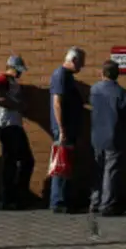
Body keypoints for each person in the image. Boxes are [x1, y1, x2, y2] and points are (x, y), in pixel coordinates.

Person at [90, 60, 126, 216]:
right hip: (114, 136)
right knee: (111, 172)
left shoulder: (94, 89)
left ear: (102, 73)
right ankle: (107, 205)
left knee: (98, 169)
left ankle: (95, 201)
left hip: (96, 136)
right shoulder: (121, 93)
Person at [0, 55, 35, 210]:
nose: (20, 74)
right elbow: (0, 99)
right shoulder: (1, 80)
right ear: (11, 67)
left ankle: (17, 194)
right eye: (18, 70)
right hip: (7, 126)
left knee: (23, 161)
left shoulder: (13, 82)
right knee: (11, 163)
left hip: (15, 125)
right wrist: (19, 105)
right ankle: (9, 198)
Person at [49, 46, 86, 213]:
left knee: (67, 162)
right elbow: (57, 103)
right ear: (74, 60)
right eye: (81, 63)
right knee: (61, 162)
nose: (82, 67)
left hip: (69, 127)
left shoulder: (68, 77)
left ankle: (64, 199)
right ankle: (58, 201)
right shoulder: (61, 76)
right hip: (63, 129)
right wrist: (62, 128)